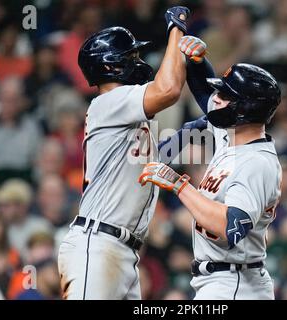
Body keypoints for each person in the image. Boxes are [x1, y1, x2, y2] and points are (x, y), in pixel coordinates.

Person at [57, 6, 190, 300]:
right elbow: (168, 89)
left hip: (121, 250)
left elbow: (147, 158)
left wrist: (194, 129)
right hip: (99, 244)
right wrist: (175, 31)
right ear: (112, 65)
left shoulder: (124, 111)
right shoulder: (111, 102)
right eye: (132, 56)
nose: (138, 62)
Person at [139, 36, 282, 299]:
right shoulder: (232, 135)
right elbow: (205, 93)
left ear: (245, 109)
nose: (217, 99)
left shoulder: (256, 163)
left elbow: (233, 227)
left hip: (237, 284)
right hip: (223, 280)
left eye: (226, 96)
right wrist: (197, 60)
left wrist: (178, 185)